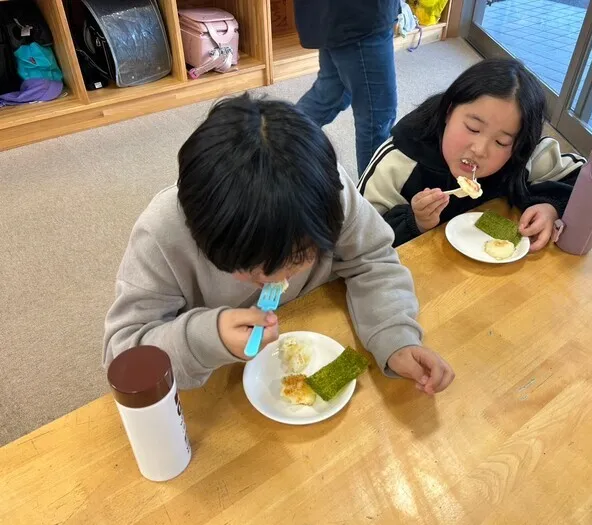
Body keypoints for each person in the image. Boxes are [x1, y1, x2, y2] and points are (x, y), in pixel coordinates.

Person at [103, 94, 454, 395]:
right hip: (210, 389)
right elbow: (123, 359)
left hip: (313, 333)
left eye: (299, 257)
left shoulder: (331, 196)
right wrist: (206, 338)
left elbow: (372, 259)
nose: (273, 279)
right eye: (245, 266)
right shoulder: (163, 232)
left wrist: (395, 337)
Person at [358, 58, 586, 248]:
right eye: (473, 128)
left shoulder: (524, 154)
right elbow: (356, 236)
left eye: (501, 141)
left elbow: (584, 179)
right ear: (449, 113)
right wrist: (414, 221)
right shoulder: (399, 160)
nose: (480, 149)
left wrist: (551, 206)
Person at [294, 0, 400, 175]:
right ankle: (373, 194)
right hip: (359, 18)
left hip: (340, 16)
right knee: (378, 116)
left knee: (330, 92)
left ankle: (272, 145)